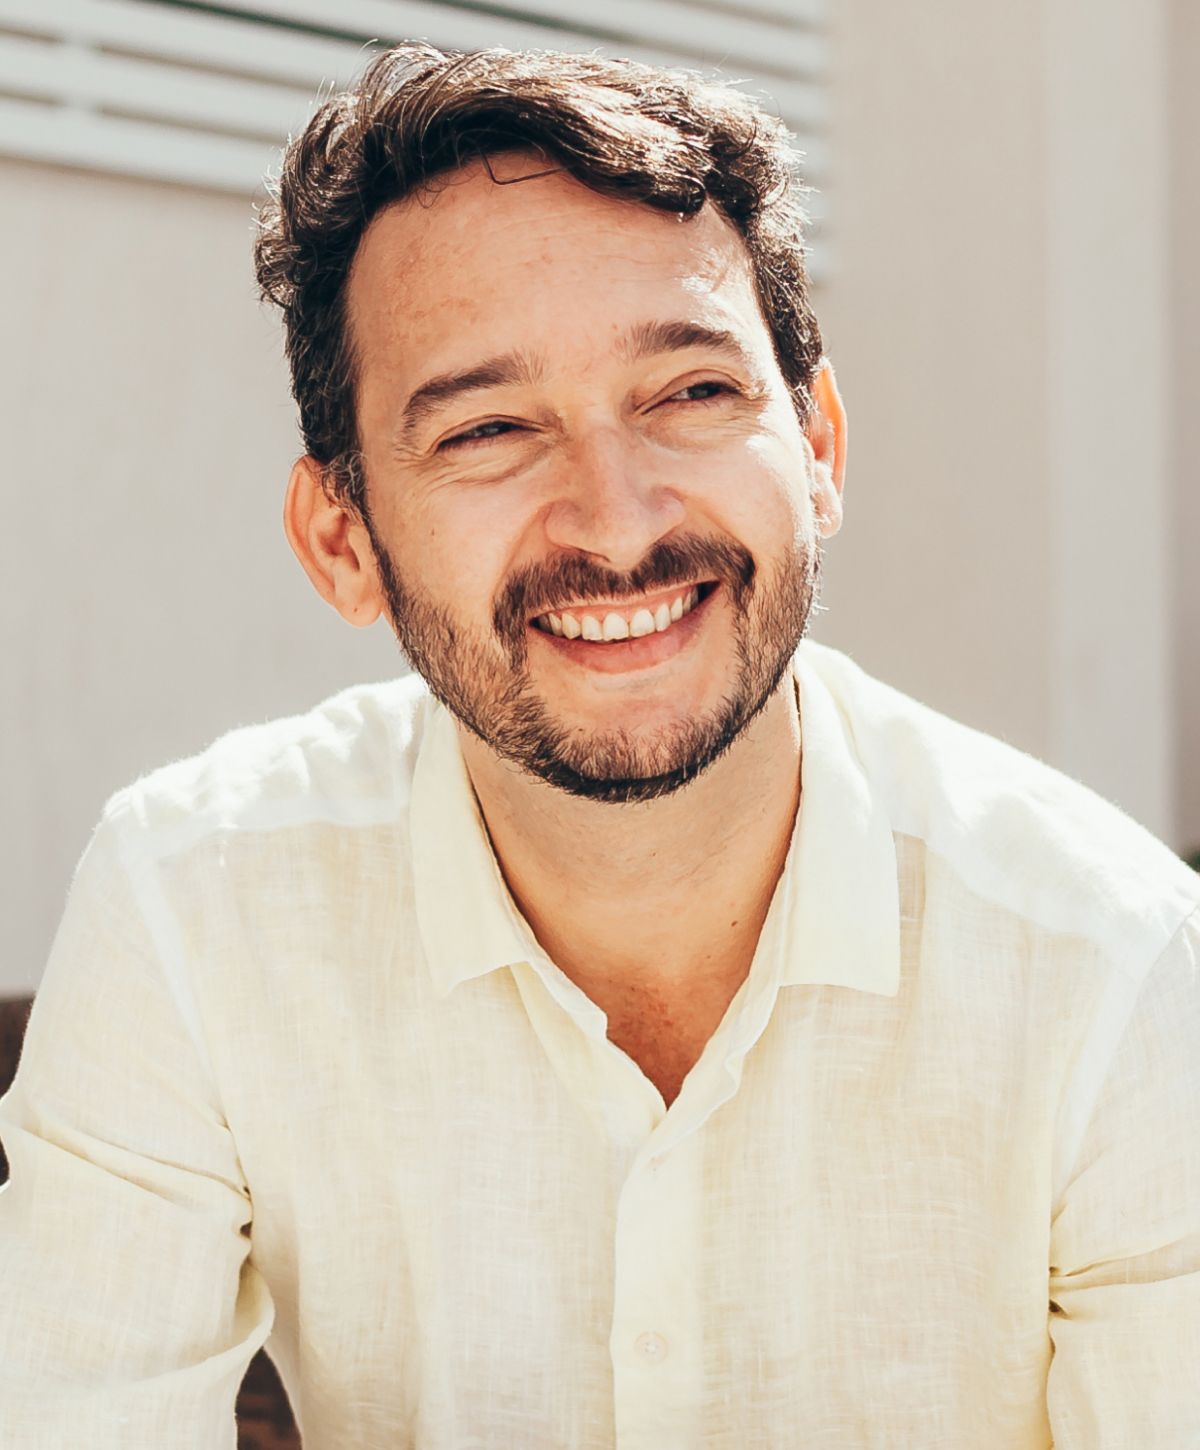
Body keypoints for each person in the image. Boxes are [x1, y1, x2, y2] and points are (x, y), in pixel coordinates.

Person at [1, 40, 1197, 1449]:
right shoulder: (189, 908)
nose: (617, 519)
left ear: (816, 444)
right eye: (490, 428)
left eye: (690, 393)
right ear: (342, 537)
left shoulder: (1123, 969)